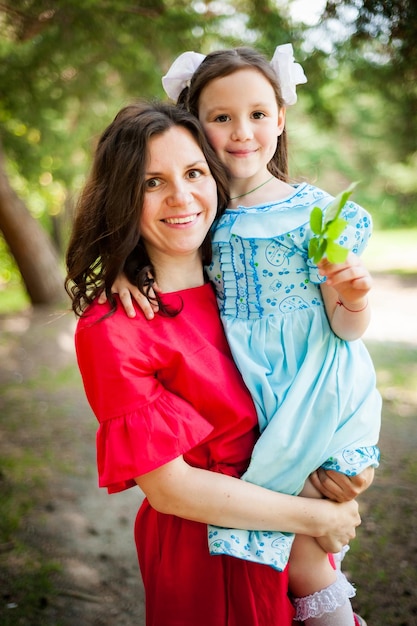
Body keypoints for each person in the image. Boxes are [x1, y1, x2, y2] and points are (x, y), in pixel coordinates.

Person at [107, 45, 380, 626]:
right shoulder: (209, 219)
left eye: (258, 114)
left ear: (280, 119)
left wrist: (354, 298)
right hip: (252, 420)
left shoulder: (308, 214)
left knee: (308, 549)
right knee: (300, 546)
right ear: (197, 126)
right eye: (221, 117)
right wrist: (120, 270)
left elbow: (346, 326)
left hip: (308, 390)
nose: (241, 132)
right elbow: (150, 234)